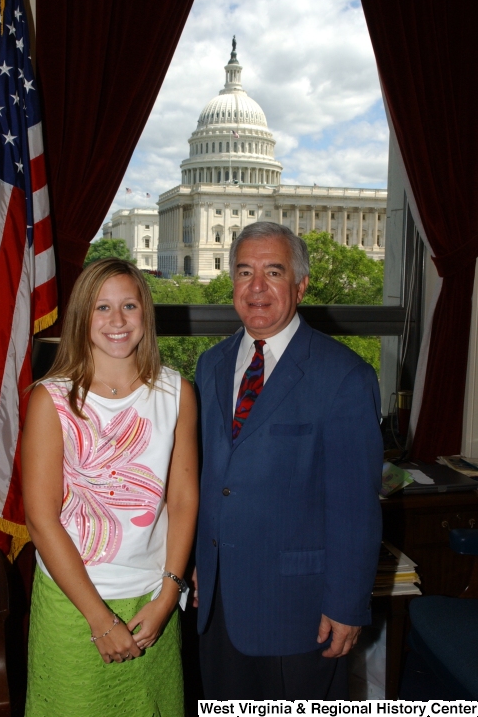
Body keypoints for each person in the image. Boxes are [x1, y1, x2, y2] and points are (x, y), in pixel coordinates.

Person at [194, 222, 383, 701]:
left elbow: (355, 508)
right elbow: (208, 478)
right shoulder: (209, 364)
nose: (256, 287)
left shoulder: (344, 376)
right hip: (217, 604)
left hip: (300, 614)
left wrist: (346, 605)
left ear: (299, 286)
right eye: (243, 272)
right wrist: (195, 563)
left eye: (273, 272)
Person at [22, 258, 198, 716]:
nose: (117, 320)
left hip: (151, 601)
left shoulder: (177, 392)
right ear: (83, 317)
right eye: (102, 307)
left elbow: (181, 500)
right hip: (74, 603)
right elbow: (41, 521)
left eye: (128, 306)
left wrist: (168, 596)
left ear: (146, 315)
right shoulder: (52, 399)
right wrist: (100, 620)